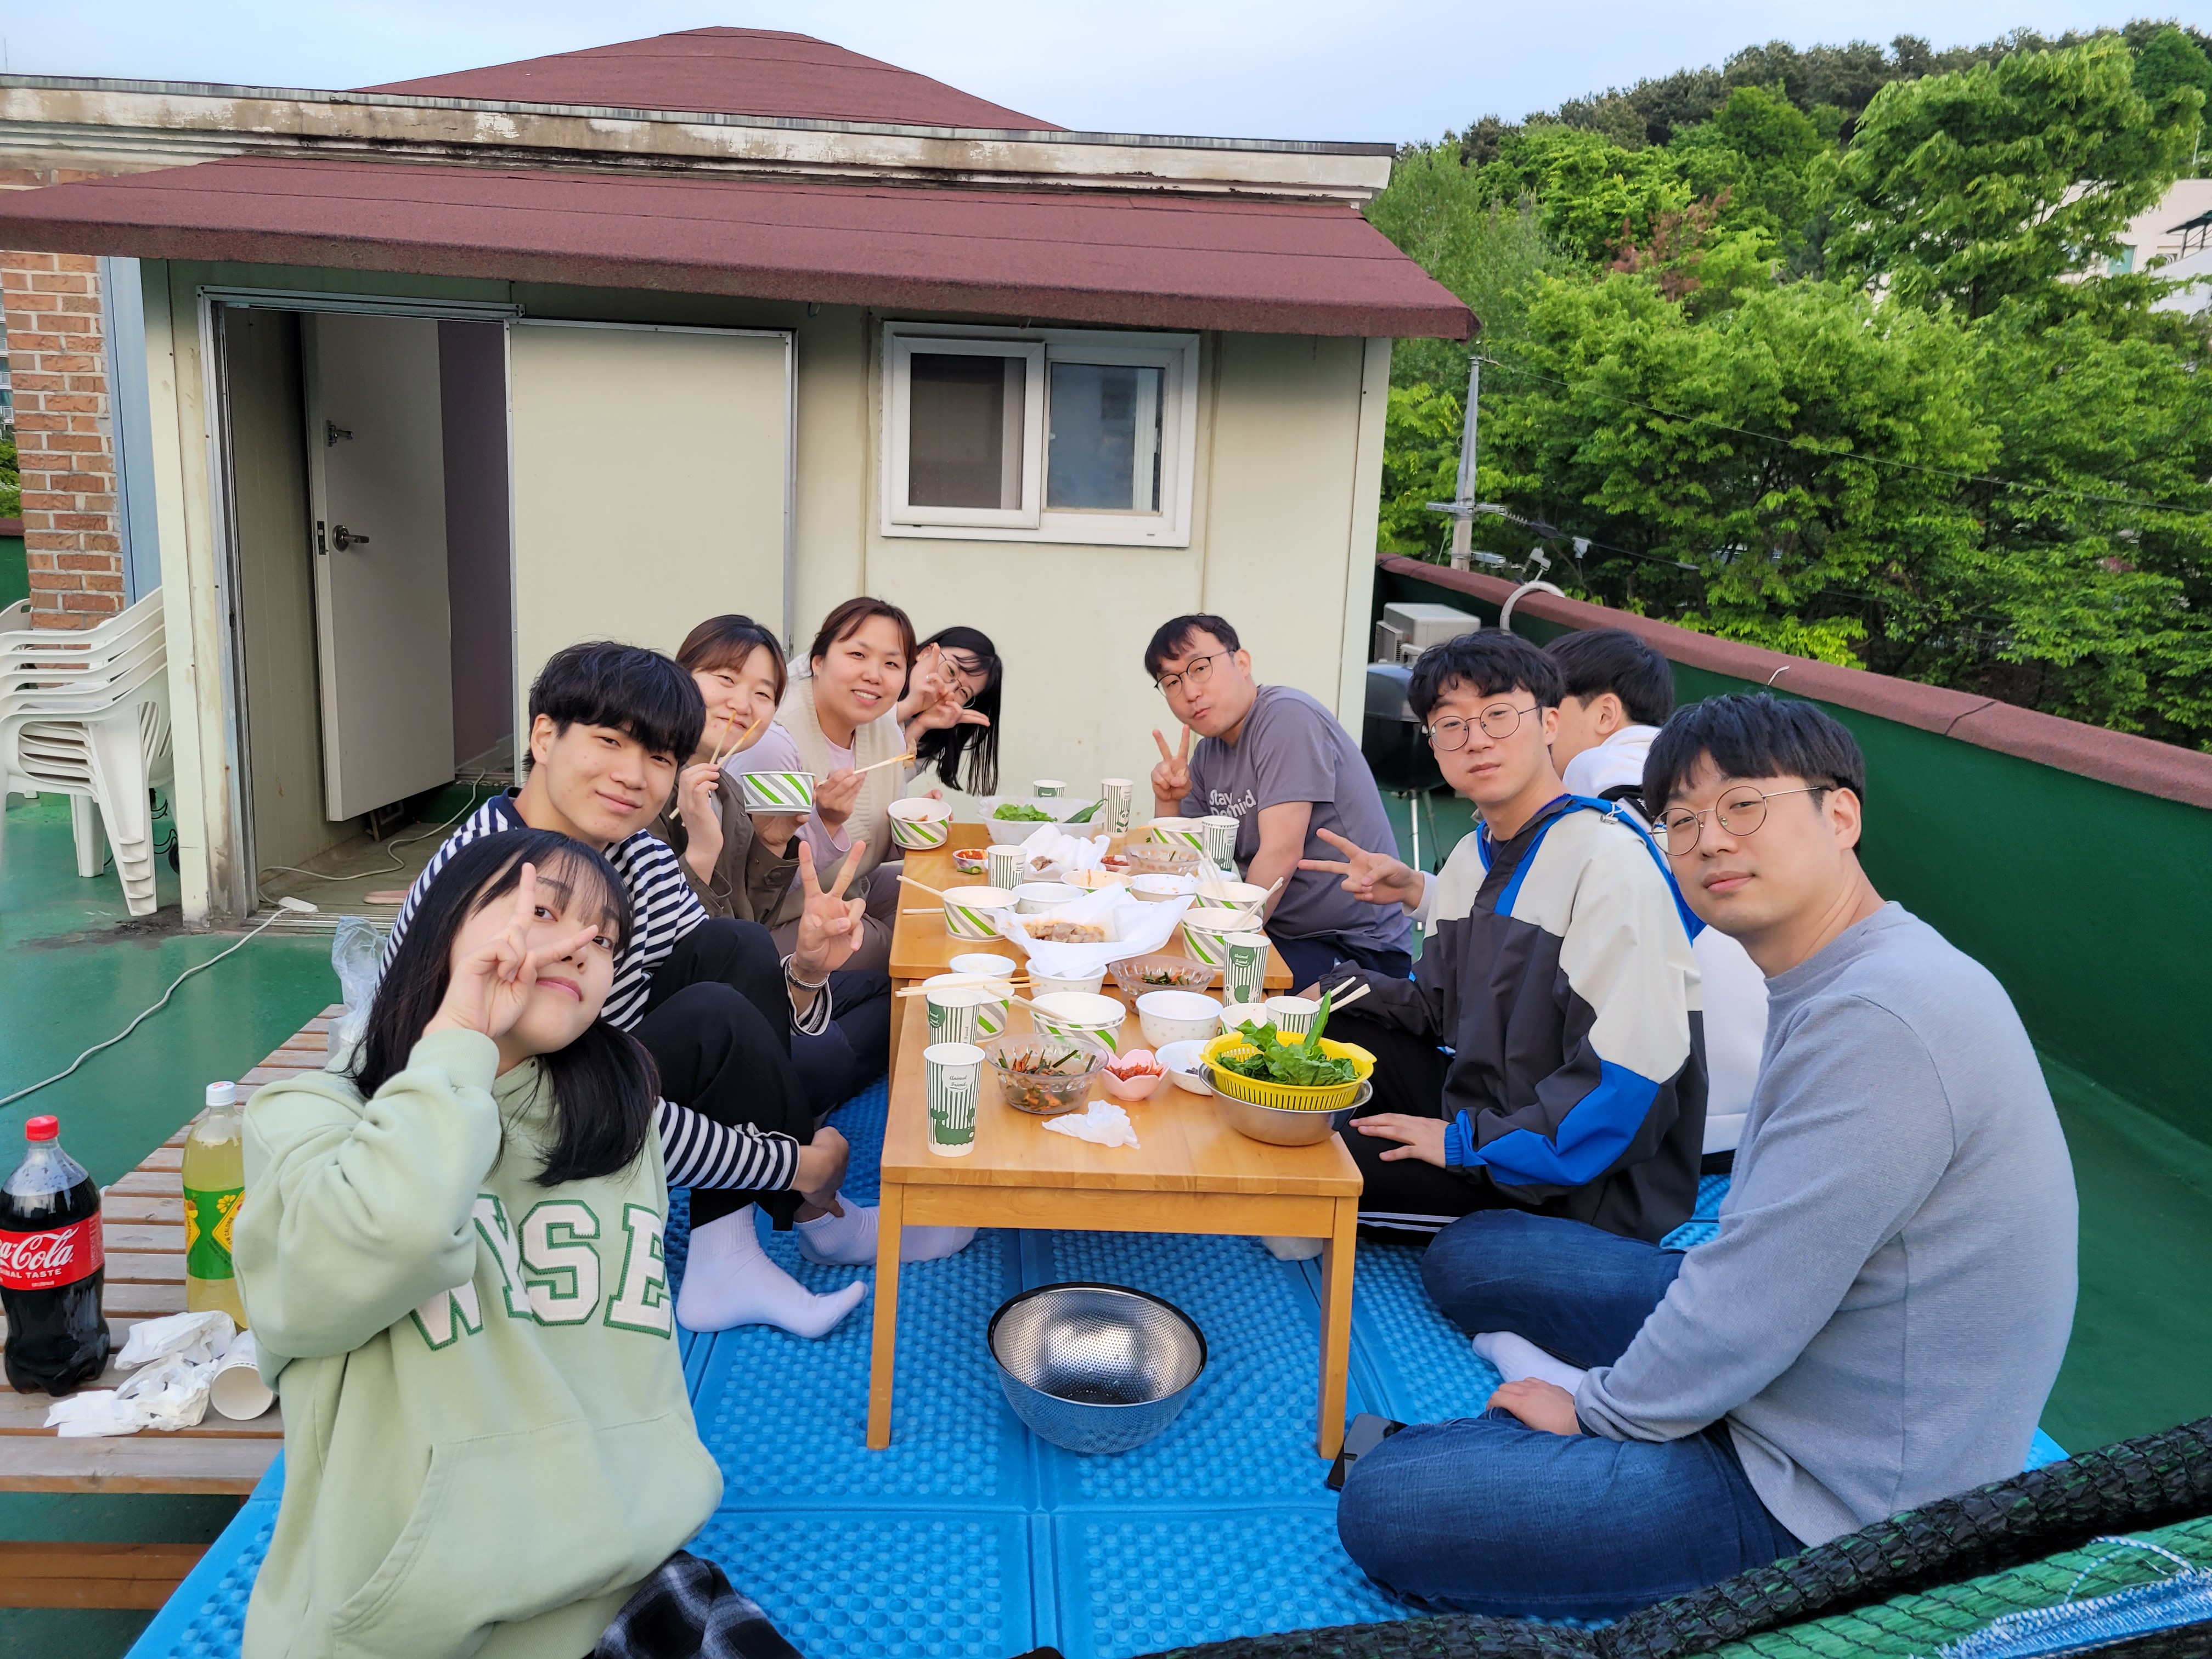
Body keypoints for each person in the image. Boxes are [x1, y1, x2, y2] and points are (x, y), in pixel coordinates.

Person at [1335, 695, 2078, 1621]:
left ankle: (1606, 1416)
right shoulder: (1857, 971)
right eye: (1680, 820)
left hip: (1842, 1487)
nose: (1709, 840)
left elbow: (1759, 1298)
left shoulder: (1882, 1018)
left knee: (1389, 1495)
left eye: (1744, 805)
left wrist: (1597, 1411)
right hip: (1811, 1343)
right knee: (1476, 1253)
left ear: (1840, 815)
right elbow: (1762, 1270)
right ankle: (1619, 1397)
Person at [234, 832, 814, 1656]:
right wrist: (459, 1037)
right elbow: (380, 1243)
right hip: (411, 1629)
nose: (581, 946)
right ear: (441, 928)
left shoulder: (616, 1129)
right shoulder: (309, 1119)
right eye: (544, 912)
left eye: (606, 940)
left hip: (623, 1578)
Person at [388, 642, 968, 1331]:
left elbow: (740, 1014)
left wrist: (810, 970)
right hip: (489, 1147)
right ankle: (807, 1218)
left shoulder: (632, 851)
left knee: (737, 948)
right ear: (544, 737)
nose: (633, 776)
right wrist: (792, 1166)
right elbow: (550, 1107)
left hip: (600, 1075)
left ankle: (735, 1254)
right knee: (730, 1015)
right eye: (610, 742)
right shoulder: (498, 882)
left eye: (660, 757)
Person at [1296, 630, 1705, 1244]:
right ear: (1434, 747)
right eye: (1451, 725)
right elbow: (1438, 1010)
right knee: (1321, 1030)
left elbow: (1627, 1084)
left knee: (1310, 1164)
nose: (1477, 739)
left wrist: (1463, 1145)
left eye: (1498, 715)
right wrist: (1332, 991)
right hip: (1490, 1108)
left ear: (1549, 723)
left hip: (1572, 1178)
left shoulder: (1610, 863)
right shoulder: (1473, 855)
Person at [653, 613, 893, 1107]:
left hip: (743, 980)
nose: (742, 704)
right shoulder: (645, 789)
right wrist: (701, 854)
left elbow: (749, 917)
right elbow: (685, 951)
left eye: (762, 694)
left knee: (893, 994)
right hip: (684, 1011)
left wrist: (774, 842)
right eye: (725, 679)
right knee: (828, 1056)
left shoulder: (727, 789)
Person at [1545, 628, 1768, 1159]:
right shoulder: (1718, 784)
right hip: (1755, 1113)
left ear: (1605, 713)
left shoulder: (1596, 771)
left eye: (1549, 713)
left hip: (1666, 1123)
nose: (1540, 733)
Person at [1143, 613, 1413, 989]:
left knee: (1202, 993)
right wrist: (1168, 802)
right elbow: (1186, 869)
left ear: (1242, 662)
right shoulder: (1207, 755)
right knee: (1158, 973)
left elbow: (1281, 851)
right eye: (1172, 682)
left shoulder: (1286, 717)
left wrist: (1221, 945)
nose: (1190, 692)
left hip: (1354, 947)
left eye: (1200, 668)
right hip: (1278, 934)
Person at [776, 599, 990, 973]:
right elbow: (758, 880)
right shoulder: (781, 737)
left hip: (849, 885)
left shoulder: (887, 732)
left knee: (942, 901)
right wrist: (826, 821)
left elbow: (869, 828)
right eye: (858, 655)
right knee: (906, 943)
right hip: (777, 916)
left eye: (891, 664)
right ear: (817, 661)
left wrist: (911, 829)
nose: (874, 674)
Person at [905, 624, 1002, 797]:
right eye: (951, 671)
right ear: (926, 652)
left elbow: (877, 788)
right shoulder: (875, 684)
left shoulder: (930, 735)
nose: (948, 691)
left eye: (964, 693)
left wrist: (920, 725)